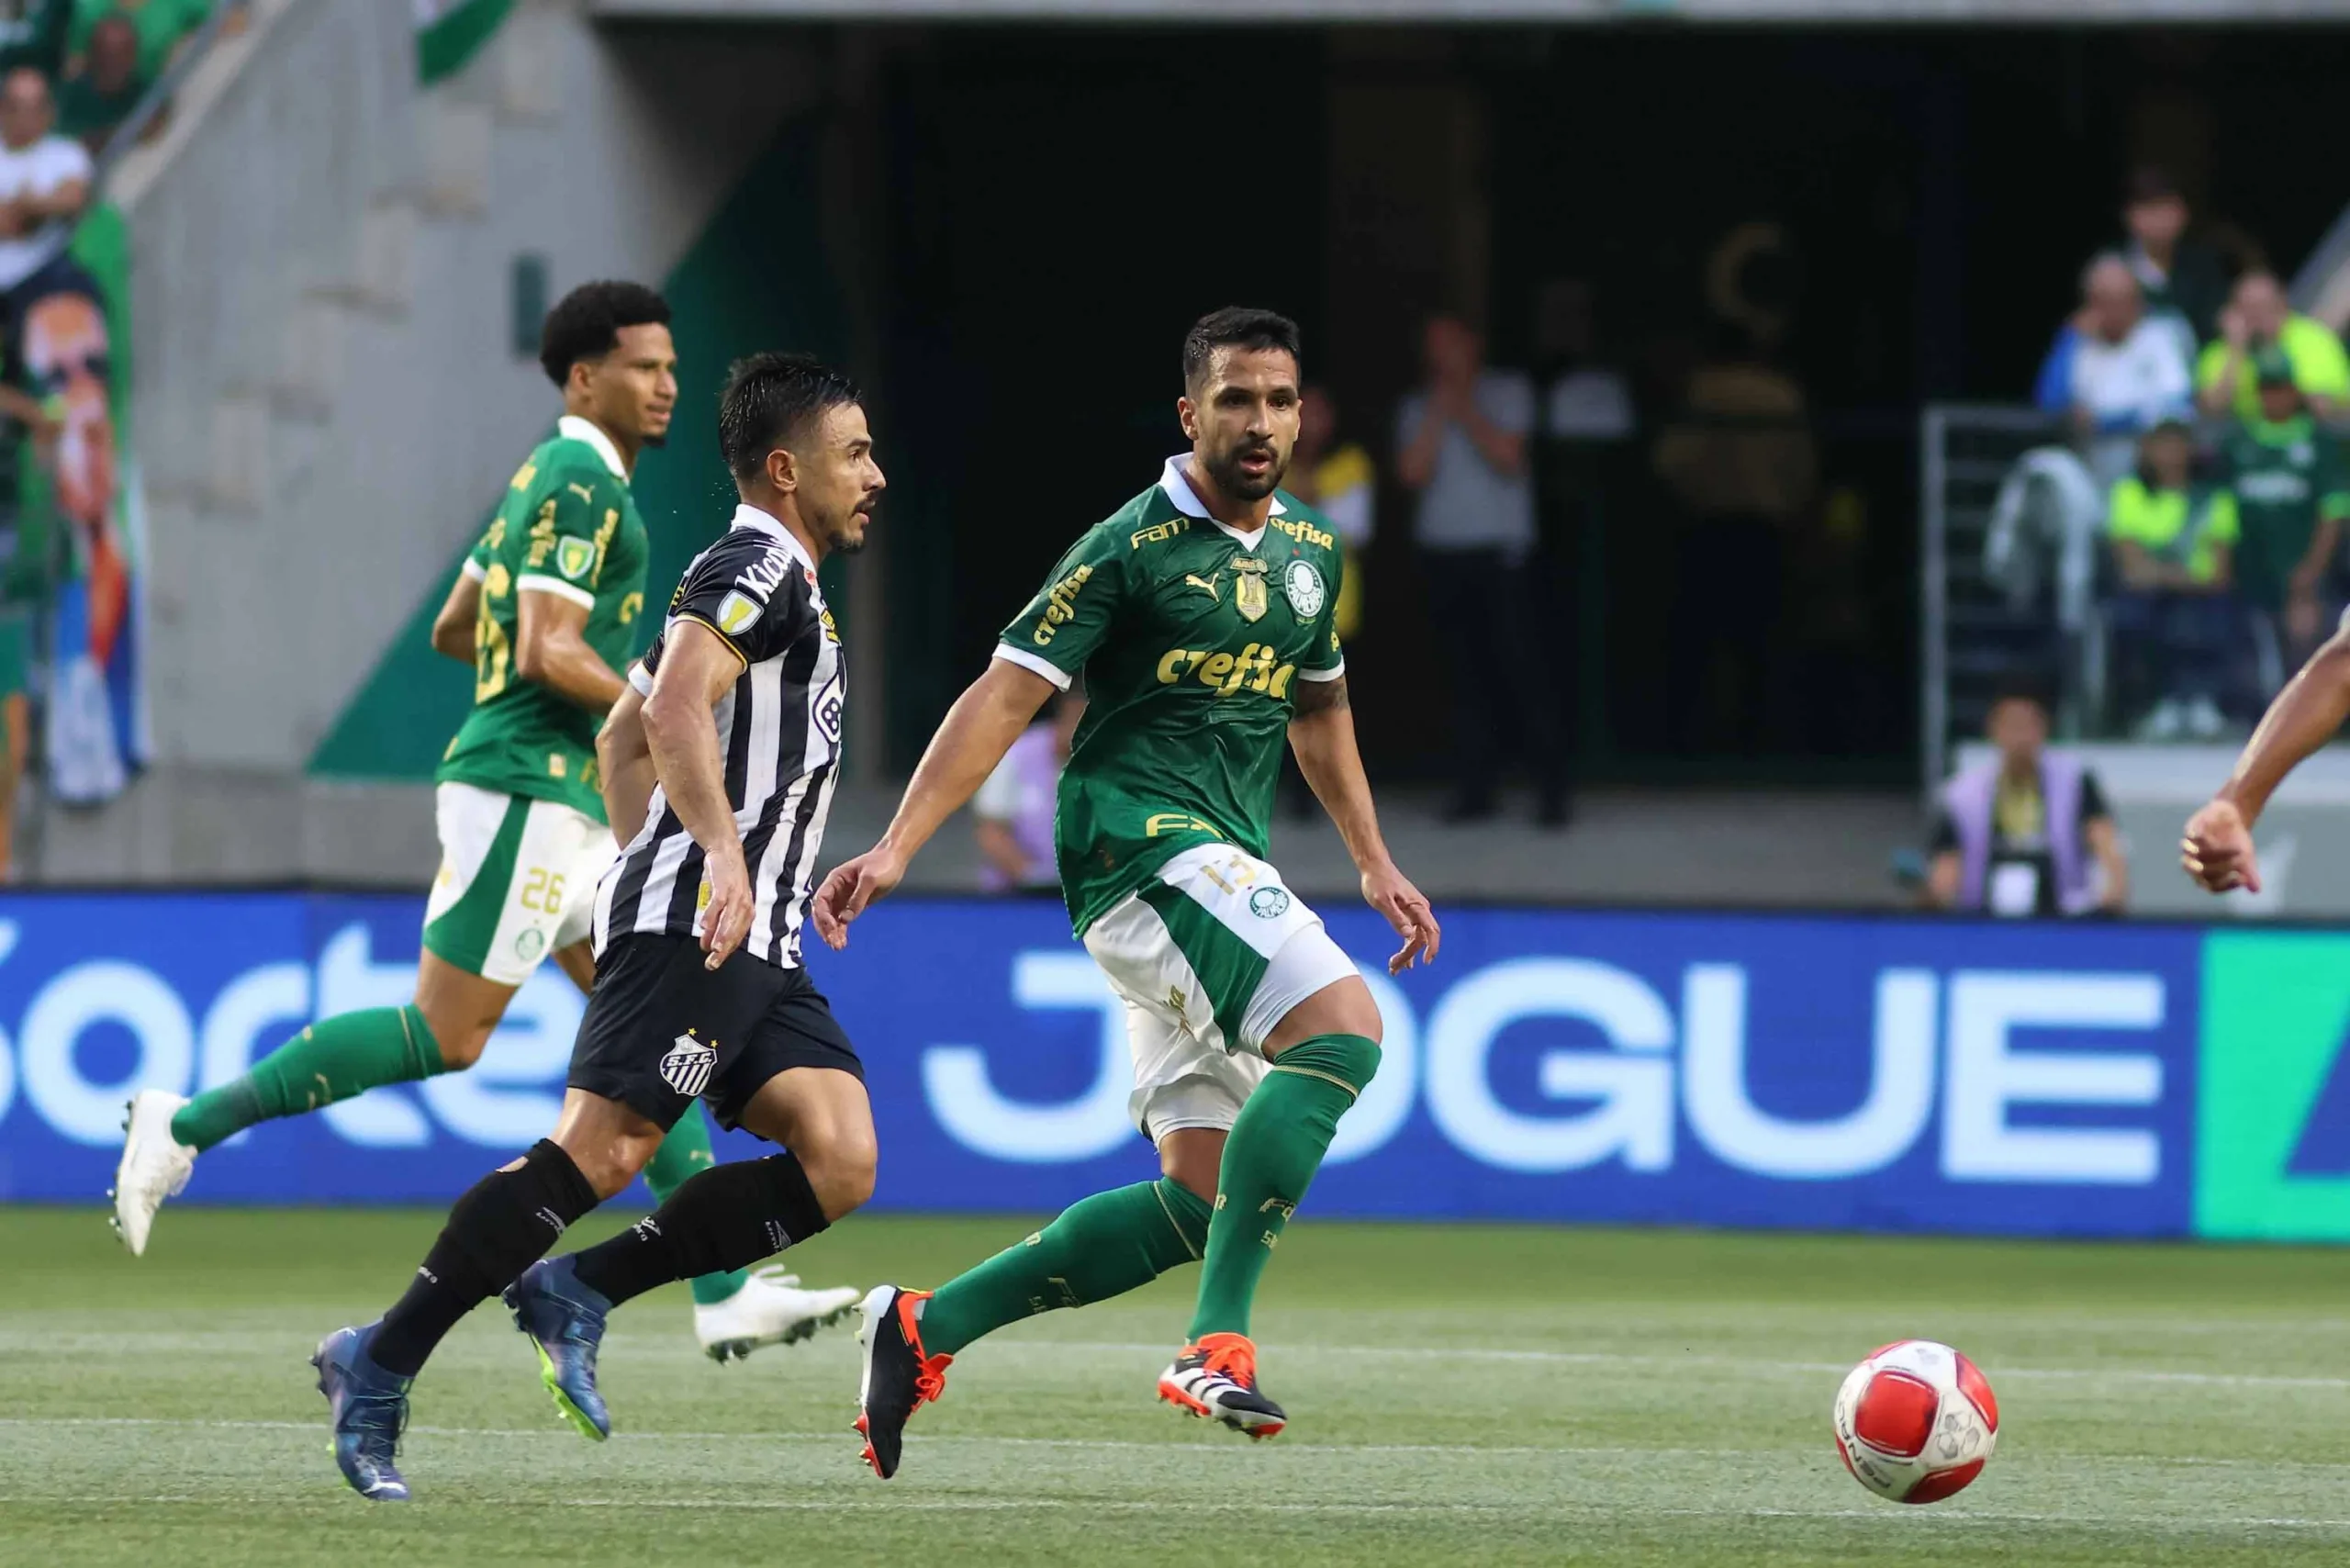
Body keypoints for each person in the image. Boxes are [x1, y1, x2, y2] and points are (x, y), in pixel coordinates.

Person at [111, 284, 856, 1364]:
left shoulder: (536, 481)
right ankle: (182, 1127)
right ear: (580, 377)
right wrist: (648, 705)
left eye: (671, 368)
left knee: (648, 1004)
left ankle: (723, 1285)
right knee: (448, 1032)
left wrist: (585, 693)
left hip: (546, 779)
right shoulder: (582, 476)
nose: (666, 386)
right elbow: (549, 643)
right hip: (530, 785)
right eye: (643, 367)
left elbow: (467, 624)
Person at [813, 308, 1439, 1477]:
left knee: (1198, 1203)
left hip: (1213, 864)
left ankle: (920, 1327)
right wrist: (897, 845)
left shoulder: (1310, 550)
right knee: (1343, 1034)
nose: (1261, 423)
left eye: (1280, 401)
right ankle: (1217, 1342)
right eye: (1237, 400)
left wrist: (1371, 857)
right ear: (1190, 412)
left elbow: (1319, 709)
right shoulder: (1128, 546)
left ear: (1302, 415)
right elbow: (1003, 694)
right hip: (1135, 848)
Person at [312, 351, 887, 1503]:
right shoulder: (755, 564)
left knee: (839, 1157)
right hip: (704, 920)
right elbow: (671, 706)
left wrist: (658, 864)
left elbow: (624, 735)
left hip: (751, 935)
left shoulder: (783, 582)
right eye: (854, 454)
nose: (876, 473)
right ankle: (375, 1362)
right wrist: (704, 863)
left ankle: (580, 1291)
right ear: (785, 471)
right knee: (600, 1152)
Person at [1394, 313, 1567, 824]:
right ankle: (1475, 790)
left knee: (1521, 669)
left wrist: (1463, 407)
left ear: (1472, 346)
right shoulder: (1415, 404)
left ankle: (1551, 791)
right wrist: (1438, 411)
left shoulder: (1508, 392)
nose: (1439, 355)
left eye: (1448, 343)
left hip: (1501, 554)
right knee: (1463, 677)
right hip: (1444, 553)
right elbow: (1412, 473)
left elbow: (1509, 457)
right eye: (1432, 346)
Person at [1926, 681, 2127, 917]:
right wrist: (1935, 892)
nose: (2020, 737)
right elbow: (1947, 866)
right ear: (1993, 730)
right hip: (1984, 917)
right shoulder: (1961, 795)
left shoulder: (2076, 781)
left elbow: (2104, 841)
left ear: (2044, 729)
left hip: (2065, 915)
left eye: (2028, 726)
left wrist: (2115, 887)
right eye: (2011, 726)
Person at [2218, 349, 2350, 695]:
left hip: (2302, 565)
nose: (2273, 396)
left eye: (2280, 387)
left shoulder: (2319, 442)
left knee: (2307, 642)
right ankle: (2251, 717)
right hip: (2250, 565)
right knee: (2244, 644)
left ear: (2294, 391)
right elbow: (2222, 510)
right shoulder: (2239, 442)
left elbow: (2333, 512)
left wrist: (2312, 568)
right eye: (2266, 388)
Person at [2106, 417, 2240, 741]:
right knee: (2143, 611)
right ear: (2148, 452)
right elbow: (2132, 569)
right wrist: (2182, 577)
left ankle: (2202, 704)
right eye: (2161, 447)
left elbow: (2220, 573)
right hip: (2150, 596)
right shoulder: (2128, 494)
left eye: (2177, 447)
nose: (2170, 455)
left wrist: (2169, 577)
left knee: (2207, 610)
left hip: (2202, 596)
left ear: (2191, 452)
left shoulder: (2215, 499)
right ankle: (2160, 705)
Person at [2031, 253, 2193, 487]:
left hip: (2145, 471)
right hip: (2088, 463)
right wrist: (2069, 340)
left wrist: (2106, 422)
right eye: (2102, 301)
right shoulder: (2079, 343)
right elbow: (2049, 402)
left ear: (2138, 301)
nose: (2113, 311)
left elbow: (2176, 404)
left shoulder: (2160, 336)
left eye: (2121, 301)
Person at [2197, 270, 2350, 425]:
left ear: (2282, 304)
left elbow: (2327, 407)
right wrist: (2236, 350)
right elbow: (2212, 409)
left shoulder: (2314, 340)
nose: (2256, 317)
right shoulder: (2221, 352)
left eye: (2264, 307)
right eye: (2247, 309)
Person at [971, 688, 1083, 893]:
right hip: (1015, 896)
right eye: (1075, 718)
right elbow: (991, 830)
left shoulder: (1111, 762)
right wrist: (1033, 877)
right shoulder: (1017, 753)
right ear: (1061, 716)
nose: (1080, 728)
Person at [0, 67, 91, 314]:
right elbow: (9, 225)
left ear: (49, 111)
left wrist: (24, 207)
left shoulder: (65, 153)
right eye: (17, 107)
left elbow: (73, 199)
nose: (26, 117)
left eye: (35, 107)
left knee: (73, 291)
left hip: (42, 275)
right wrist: (35, 207)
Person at [2118, 166, 2229, 346]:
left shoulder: (2203, 267)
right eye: (2150, 208)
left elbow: (2216, 326)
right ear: (2130, 216)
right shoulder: (2112, 269)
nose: (2160, 219)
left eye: (2167, 207)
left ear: (2183, 213)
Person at [57, 13, 142, 151]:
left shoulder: (144, 92)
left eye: (123, 54)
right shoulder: (70, 99)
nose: (115, 63)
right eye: (108, 55)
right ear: (93, 55)